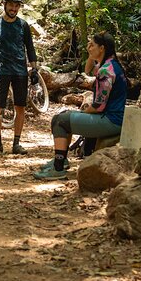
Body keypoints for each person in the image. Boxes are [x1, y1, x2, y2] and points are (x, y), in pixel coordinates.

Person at [33, 31, 127, 180]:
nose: (88, 47)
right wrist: (92, 54)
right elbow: (87, 70)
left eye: (92, 45)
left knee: (60, 121)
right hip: (112, 117)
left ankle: (58, 168)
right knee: (63, 116)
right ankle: (61, 160)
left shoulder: (106, 71)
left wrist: (85, 110)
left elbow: (98, 107)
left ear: (102, 48)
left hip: (110, 120)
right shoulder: (109, 63)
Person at [0, 0, 39, 155]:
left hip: (20, 71)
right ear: (4, 5)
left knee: (20, 107)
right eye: (11, 5)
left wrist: (34, 69)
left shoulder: (23, 25)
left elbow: (30, 48)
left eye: (17, 5)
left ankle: (16, 144)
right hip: (1, 71)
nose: (14, 8)